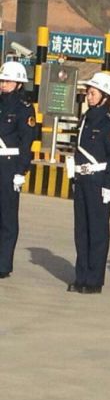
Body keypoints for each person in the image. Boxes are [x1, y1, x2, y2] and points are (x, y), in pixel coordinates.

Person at [67, 72, 110, 294]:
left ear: (105, 96)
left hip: (99, 182)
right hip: (82, 180)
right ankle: (81, 276)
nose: (88, 97)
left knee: (97, 232)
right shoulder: (85, 119)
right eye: (88, 93)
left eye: (93, 93)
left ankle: (94, 280)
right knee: (81, 231)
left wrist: (109, 185)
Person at [0, 62, 35, 278]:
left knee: (7, 217)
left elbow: (26, 142)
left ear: (19, 84)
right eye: (2, 80)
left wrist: (21, 171)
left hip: (9, 165)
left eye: (8, 81)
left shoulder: (24, 108)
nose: (3, 84)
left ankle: (3, 264)